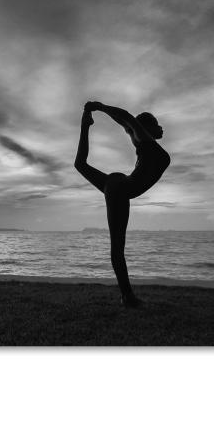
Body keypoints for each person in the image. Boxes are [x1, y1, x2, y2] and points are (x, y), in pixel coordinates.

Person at [74, 101, 170, 307]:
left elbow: (127, 122)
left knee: (80, 164)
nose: (161, 127)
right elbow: (126, 117)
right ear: (145, 128)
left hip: (118, 187)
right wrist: (99, 106)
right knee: (117, 246)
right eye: (156, 124)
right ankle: (127, 297)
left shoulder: (147, 147)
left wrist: (93, 117)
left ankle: (85, 125)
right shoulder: (147, 144)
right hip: (119, 189)